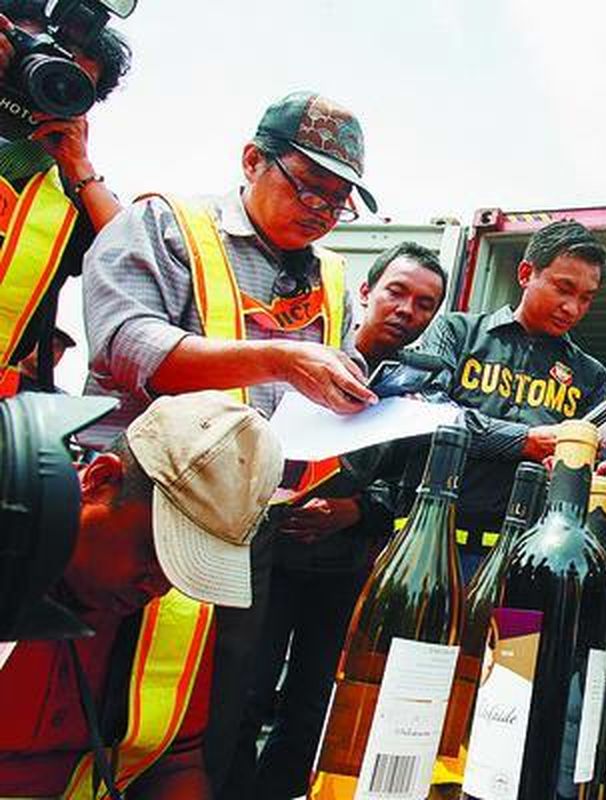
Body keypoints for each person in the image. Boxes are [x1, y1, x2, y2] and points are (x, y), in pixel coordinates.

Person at [80, 90, 379, 794]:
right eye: (310, 186)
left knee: (214, 720)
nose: (321, 210)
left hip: (245, 531)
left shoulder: (333, 275)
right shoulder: (163, 225)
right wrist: (277, 359)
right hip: (130, 514)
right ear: (252, 160)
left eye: (339, 202)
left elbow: (312, 387)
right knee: (87, 706)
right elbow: (127, 344)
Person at [239, 242, 447, 799]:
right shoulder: (306, 355)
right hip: (266, 558)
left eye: (425, 304)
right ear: (366, 291)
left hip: (344, 571)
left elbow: (416, 488)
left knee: (312, 705)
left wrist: (355, 511)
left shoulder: (425, 393)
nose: (407, 309)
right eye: (396, 292)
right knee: (248, 690)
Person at [0, 391, 284, 798]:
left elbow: (174, 762)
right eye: (155, 550)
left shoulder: (177, 614)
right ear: (99, 481)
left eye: (187, 566)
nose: (161, 586)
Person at [411, 219, 606, 581]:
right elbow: (430, 416)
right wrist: (526, 442)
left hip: (527, 563)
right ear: (525, 273)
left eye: (586, 298)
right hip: (430, 547)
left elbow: (602, 459)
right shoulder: (456, 333)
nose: (572, 308)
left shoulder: (592, 376)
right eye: (563, 288)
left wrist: (580, 471)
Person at [0, 0, 129, 397]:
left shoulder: (69, 196)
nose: (42, 87)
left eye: (66, 83)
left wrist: (80, 168)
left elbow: (138, 262)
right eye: (30, 64)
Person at [15, 325, 74, 393]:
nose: (50, 351)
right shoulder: (4, 382)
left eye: (57, 347)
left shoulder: (60, 398)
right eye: (44, 342)